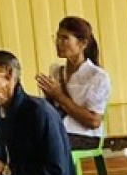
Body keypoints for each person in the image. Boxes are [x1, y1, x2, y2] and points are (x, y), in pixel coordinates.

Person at [38, 15, 111, 153]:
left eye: (65, 38)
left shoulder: (97, 77)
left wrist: (59, 96)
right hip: (59, 130)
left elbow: (94, 122)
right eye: (57, 37)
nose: (58, 43)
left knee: (42, 146)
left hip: (84, 136)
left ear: (82, 43)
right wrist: (49, 98)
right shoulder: (56, 71)